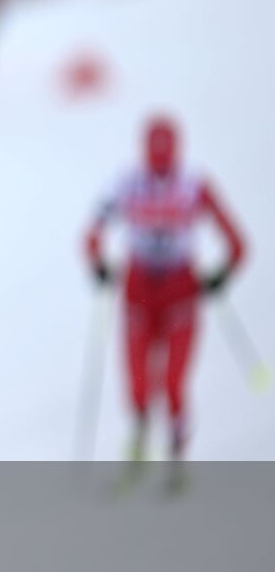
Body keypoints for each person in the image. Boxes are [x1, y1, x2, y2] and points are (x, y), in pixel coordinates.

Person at [84, 116, 246, 464]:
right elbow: (93, 229)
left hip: (179, 293)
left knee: (172, 382)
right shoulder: (126, 184)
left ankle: (176, 448)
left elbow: (237, 241)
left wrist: (222, 274)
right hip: (139, 292)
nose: (159, 167)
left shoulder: (193, 185)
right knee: (138, 381)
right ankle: (140, 441)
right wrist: (97, 261)